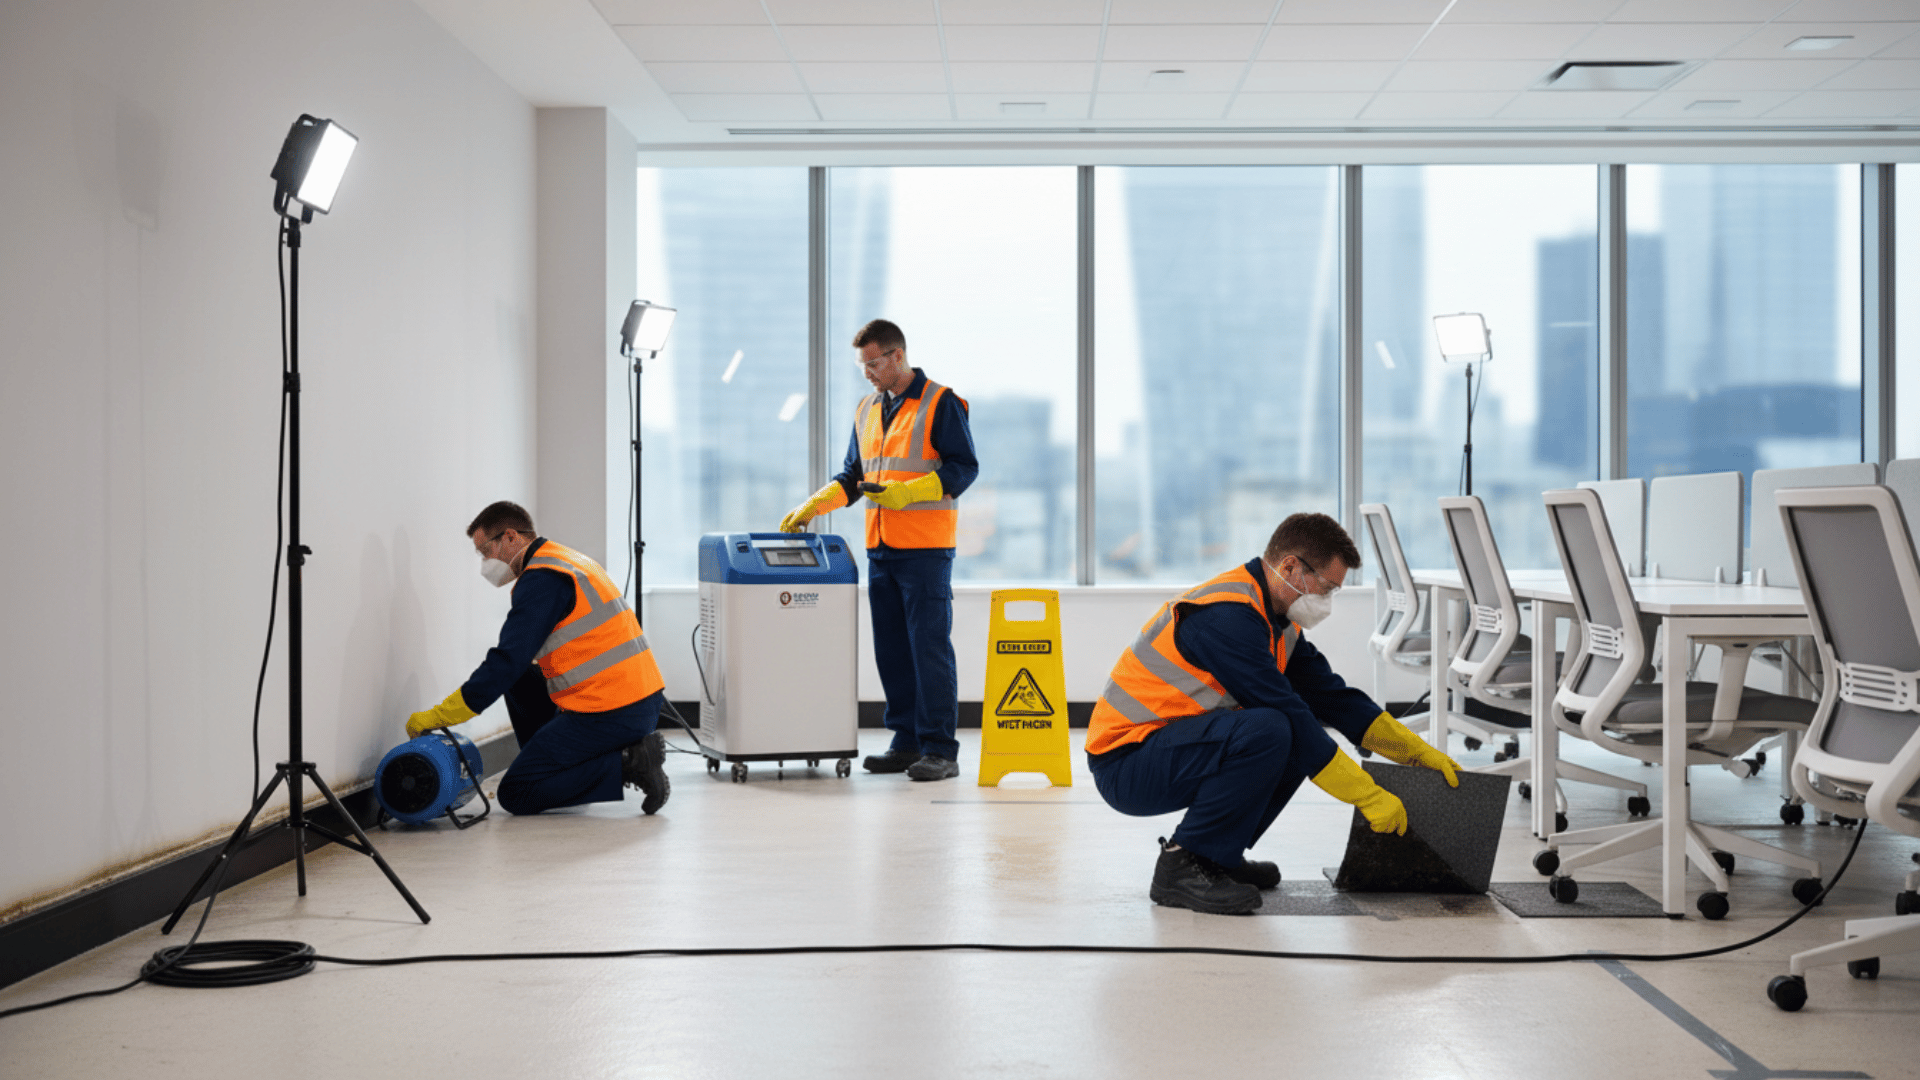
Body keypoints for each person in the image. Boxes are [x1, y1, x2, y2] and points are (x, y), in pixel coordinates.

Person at [1086, 512, 1461, 915]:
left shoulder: (1277, 622)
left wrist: (1413, 751)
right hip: (1126, 762)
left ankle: (1217, 855)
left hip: (1171, 746)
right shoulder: (1226, 616)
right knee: (1273, 729)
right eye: (1327, 588)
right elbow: (1290, 714)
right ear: (1290, 567)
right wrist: (1367, 795)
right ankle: (1182, 862)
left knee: (1286, 732)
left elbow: (1332, 698)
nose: (1328, 602)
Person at [779, 319, 978, 782]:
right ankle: (906, 741)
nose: (867, 373)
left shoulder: (940, 402)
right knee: (892, 650)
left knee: (928, 649)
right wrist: (814, 505)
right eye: (862, 365)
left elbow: (964, 469)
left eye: (873, 363)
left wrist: (910, 493)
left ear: (897, 356)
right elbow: (854, 476)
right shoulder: (867, 408)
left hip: (926, 550)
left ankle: (940, 750)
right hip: (881, 549)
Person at [404, 501, 671, 816]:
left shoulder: (543, 578)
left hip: (611, 711)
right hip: (635, 698)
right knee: (520, 677)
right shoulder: (564, 560)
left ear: (511, 537)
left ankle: (630, 762)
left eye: (485, 550)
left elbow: (506, 660)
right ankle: (558, 765)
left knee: (517, 792)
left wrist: (442, 715)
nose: (484, 562)